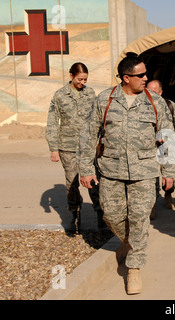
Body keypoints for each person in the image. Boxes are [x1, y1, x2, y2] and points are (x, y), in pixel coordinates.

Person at [78, 53, 175, 295]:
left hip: (144, 172)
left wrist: (169, 171)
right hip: (111, 171)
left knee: (139, 220)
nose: (146, 78)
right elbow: (89, 135)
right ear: (126, 78)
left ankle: (134, 268)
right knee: (112, 215)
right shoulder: (106, 100)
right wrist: (85, 169)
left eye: (146, 74)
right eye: (141, 75)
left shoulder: (154, 102)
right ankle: (128, 243)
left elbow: (168, 137)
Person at [46, 62, 104, 234]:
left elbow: (96, 119)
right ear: (71, 76)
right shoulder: (60, 96)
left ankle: (100, 215)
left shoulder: (90, 93)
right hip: (68, 147)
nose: (83, 83)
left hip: (88, 146)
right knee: (72, 182)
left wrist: (99, 141)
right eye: (80, 79)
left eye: (85, 79)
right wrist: (53, 148)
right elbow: (52, 122)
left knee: (93, 180)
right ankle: (74, 215)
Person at [146, 79, 175, 217]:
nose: (150, 95)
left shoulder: (169, 105)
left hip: (168, 146)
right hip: (150, 147)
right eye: (148, 91)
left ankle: (168, 193)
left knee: (170, 175)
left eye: (154, 92)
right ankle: (151, 205)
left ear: (160, 92)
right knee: (150, 178)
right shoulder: (141, 107)